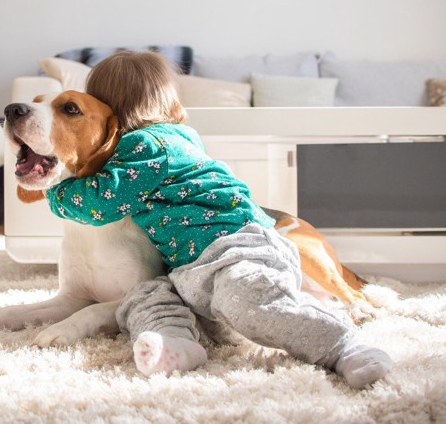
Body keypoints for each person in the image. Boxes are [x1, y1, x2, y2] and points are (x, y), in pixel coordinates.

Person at [46, 51, 393, 389]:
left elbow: (101, 201)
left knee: (251, 305)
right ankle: (176, 344)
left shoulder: (148, 146)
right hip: (192, 268)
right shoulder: (169, 141)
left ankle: (343, 346)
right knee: (144, 297)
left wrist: (49, 184)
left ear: (108, 107)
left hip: (236, 248)